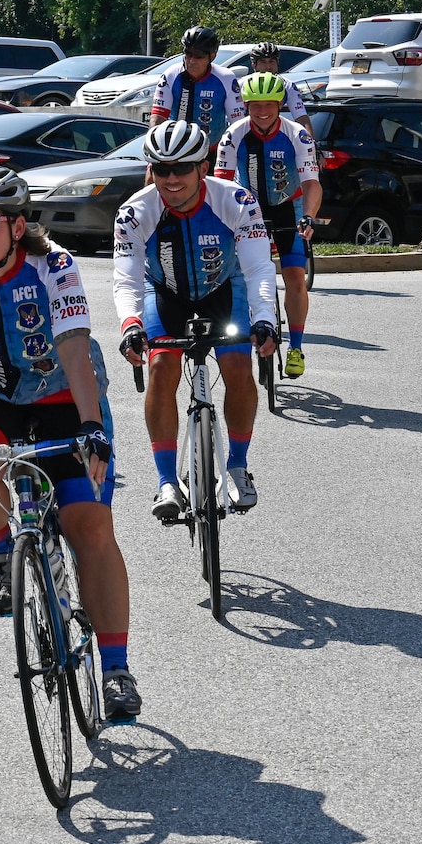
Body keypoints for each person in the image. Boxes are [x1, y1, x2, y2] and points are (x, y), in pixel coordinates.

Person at [0, 165, 142, 721]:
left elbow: (71, 342)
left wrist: (90, 426)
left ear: (17, 226)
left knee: (89, 524)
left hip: (66, 400)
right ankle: (0, 553)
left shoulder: (54, 266)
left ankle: (115, 669)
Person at [114, 121, 277, 518]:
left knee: (238, 363)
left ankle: (237, 466)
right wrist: (131, 324)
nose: (171, 179)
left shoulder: (236, 201)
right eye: (161, 169)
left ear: (202, 167)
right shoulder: (135, 212)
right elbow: (127, 278)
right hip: (164, 292)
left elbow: (258, 269)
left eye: (182, 168)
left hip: (223, 289)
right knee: (161, 364)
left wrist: (266, 320)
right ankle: (167, 482)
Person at [216, 72, 321, 378]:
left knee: (295, 277)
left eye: (270, 105)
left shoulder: (297, 134)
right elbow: (220, 185)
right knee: (248, 274)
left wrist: (309, 217)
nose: (262, 112)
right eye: (255, 105)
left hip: (289, 206)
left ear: (280, 105)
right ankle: (255, 325)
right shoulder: (233, 134)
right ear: (246, 105)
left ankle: (296, 347)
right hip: (249, 210)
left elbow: (312, 184)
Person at [149, 27, 245, 152]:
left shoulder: (226, 78)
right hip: (177, 150)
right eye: (188, 53)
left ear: (213, 56)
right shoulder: (171, 75)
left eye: (199, 56)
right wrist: (155, 149)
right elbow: (158, 118)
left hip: (213, 150)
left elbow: (238, 124)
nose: (191, 61)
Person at [247, 42, 312, 135]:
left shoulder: (287, 85)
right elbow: (237, 120)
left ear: (277, 63)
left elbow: (301, 117)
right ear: (254, 65)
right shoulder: (243, 85)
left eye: (271, 61)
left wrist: (311, 142)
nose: (268, 67)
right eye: (263, 62)